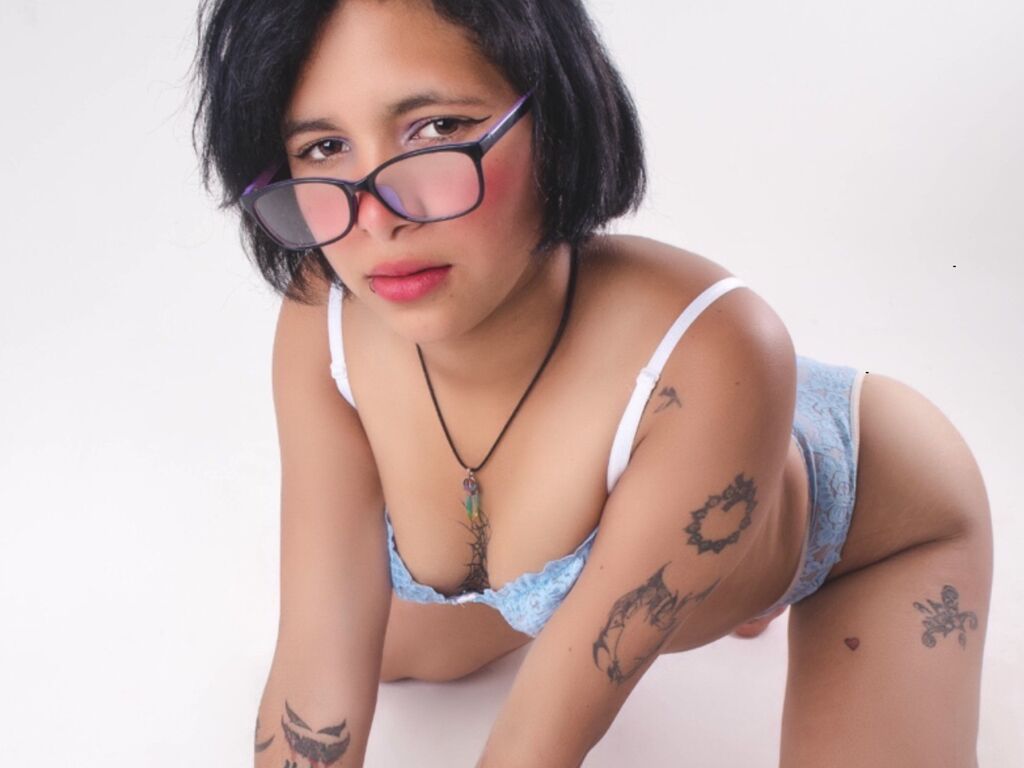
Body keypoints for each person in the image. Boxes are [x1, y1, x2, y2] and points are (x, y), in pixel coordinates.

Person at [191, 1, 993, 765]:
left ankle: (740, 566)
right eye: (325, 147)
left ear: (556, 113)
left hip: (867, 518)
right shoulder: (324, 318)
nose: (377, 216)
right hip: (684, 433)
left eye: (437, 128)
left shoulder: (717, 359)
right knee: (391, 654)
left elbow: (532, 750)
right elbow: (314, 671)